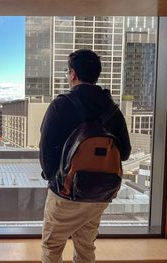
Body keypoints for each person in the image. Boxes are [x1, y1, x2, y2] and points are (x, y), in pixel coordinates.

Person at [39, 49, 131, 263]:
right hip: (101, 193)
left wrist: (55, 179)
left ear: (72, 74)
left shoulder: (60, 105)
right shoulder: (113, 109)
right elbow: (124, 153)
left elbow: (45, 151)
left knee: (52, 247)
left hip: (66, 193)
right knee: (85, 246)